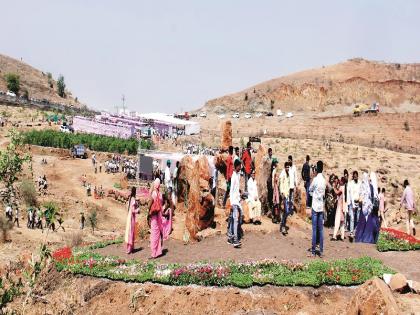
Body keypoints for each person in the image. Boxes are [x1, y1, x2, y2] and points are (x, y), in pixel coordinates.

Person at [355, 172, 379, 244]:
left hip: (367, 206)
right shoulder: (370, 187)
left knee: (364, 222)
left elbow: (364, 197)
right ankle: (367, 238)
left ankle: (363, 238)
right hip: (369, 207)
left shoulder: (368, 187)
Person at [309, 160, 326, 258]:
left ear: (317, 169)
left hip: (315, 206)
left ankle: (313, 250)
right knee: (321, 230)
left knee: (314, 230)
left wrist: (313, 195)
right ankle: (321, 250)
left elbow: (310, 189)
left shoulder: (315, 180)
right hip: (321, 207)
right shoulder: (323, 180)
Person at [227, 159, 242, 248]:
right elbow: (231, 191)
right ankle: (235, 240)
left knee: (234, 219)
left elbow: (236, 190)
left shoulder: (237, 175)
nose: (240, 167)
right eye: (239, 166)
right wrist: (232, 203)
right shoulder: (233, 176)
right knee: (235, 220)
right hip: (234, 202)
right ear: (236, 166)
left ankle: (231, 237)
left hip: (237, 201)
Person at [149, 178, 164, 258]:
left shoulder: (154, 193)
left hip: (154, 216)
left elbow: (150, 203)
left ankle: (153, 253)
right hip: (159, 215)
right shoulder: (160, 194)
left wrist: (149, 212)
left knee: (154, 234)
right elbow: (161, 204)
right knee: (158, 233)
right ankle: (158, 251)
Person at [125, 187, 140, 254]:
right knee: (131, 232)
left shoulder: (130, 199)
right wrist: (138, 210)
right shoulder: (133, 199)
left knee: (129, 232)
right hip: (131, 217)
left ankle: (130, 248)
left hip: (129, 216)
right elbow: (133, 210)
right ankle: (129, 249)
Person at [331, 177, 346, 241]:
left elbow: (337, 193)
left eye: (340, 181)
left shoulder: (342, 188)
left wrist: (334, 187)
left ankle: (334, 236)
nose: (340, 182)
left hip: (340, 206)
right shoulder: (344, 187)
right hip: (343, 206)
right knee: (342, 222)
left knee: (337, 221)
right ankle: (342, 236)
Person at [347, 171, 361, 239]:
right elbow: (350, 194)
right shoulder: (350, 183)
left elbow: (361, 192)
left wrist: (360, 199)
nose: (355, 177)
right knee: (352, 218)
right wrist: (350, 203)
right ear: (353, 176)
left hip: (358, 202)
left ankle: (356, 231)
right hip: (352, 203)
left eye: (356, 176)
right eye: (354, 176)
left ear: (357, 176)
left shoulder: (360, 183)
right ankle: (351, 232)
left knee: (358, 218)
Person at [280, 162, 291, 235]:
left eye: (288, 167)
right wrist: (282, 193)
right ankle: (283, 226)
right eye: (286, 167)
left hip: (287, 195)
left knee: (286, 211)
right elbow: (281, 184)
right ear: (284, 167)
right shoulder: (282, 174)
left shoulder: (288, 174)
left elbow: (288, 184)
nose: (287, 168)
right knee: (286, 211)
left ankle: (283, 225)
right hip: (284, 195)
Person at [272, 159, 280, 223]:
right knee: (275, 203)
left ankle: (277, 217)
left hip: (277, 188)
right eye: (277, 163)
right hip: (275, 188)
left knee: (277, 203)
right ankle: (274, 217)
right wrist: (273, 187)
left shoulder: (277, 171)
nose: (277, 164)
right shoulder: (274, 171)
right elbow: (273, 179)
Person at [266, 148, 274, 214]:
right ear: (268, 152)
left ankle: (271, 206)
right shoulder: (267, 159)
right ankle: (268, 206)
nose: (271, 153)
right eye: (270, 152)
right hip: (267, 177)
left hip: (271, 177)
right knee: (268, 192)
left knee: (271, 192)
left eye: (271, 152)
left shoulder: (273, 159)